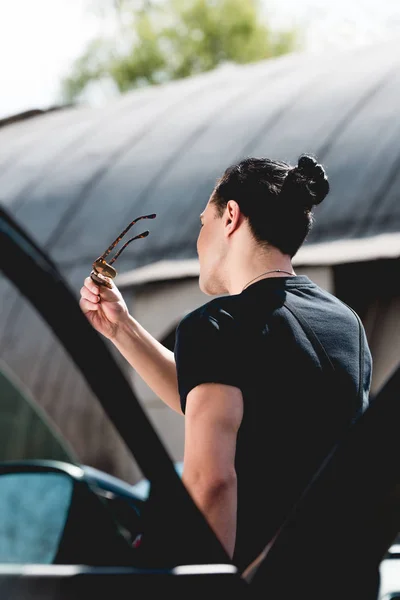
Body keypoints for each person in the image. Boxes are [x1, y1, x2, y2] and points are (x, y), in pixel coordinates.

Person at [79, 154, 372, 574]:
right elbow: (213, 396)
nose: (199, 240)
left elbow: (211, 483)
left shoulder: (218, 324)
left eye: (203, 223)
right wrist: (121, 328)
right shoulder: (346, 324)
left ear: (230, 216)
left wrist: (201, 585)